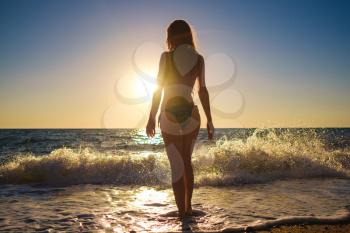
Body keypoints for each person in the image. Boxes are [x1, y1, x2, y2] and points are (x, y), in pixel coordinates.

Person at [146, 19, 214, 218]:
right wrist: (210, 120)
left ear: (170, 37)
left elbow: (158, 89)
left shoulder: (166, 58)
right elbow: (202, 91)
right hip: (192, 114)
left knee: (176, 165)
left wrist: (151, 117)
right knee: (186, 162)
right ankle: (189, 207)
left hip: (169, 114)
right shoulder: (199, 58)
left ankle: (181, 213)